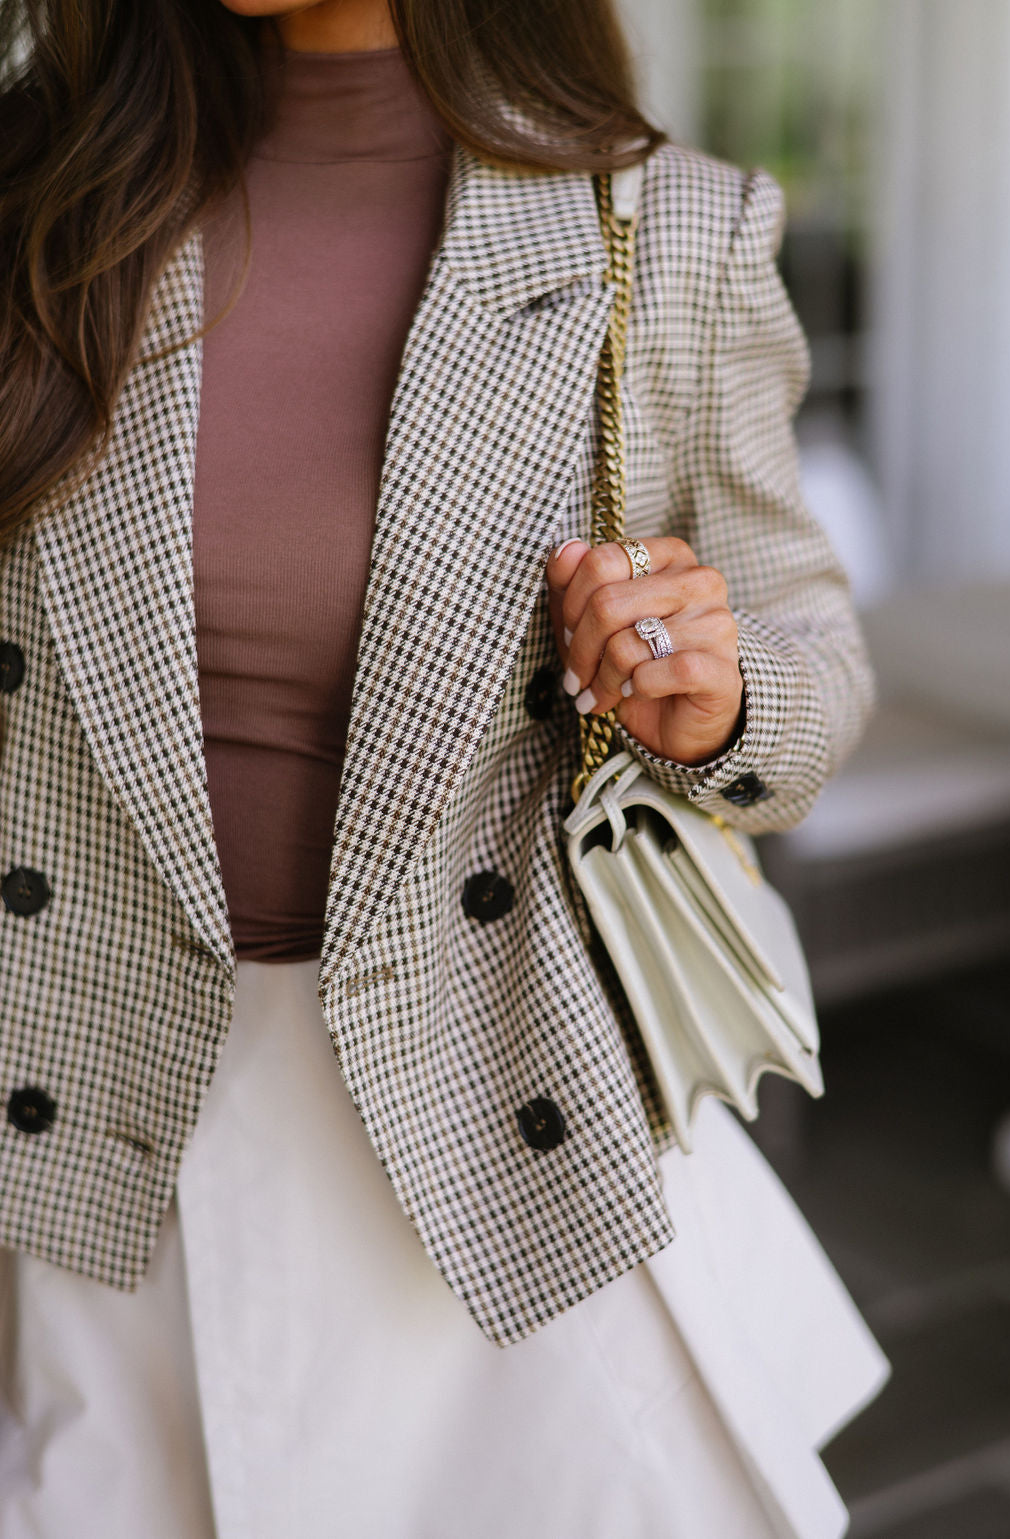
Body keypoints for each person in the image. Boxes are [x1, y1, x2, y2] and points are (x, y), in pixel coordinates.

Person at [0, 0, 889, 1534]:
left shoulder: (661, 227)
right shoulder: (37, 189)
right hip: (93, 1112)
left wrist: (718, 701)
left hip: (489, 1123)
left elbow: (812, 646)